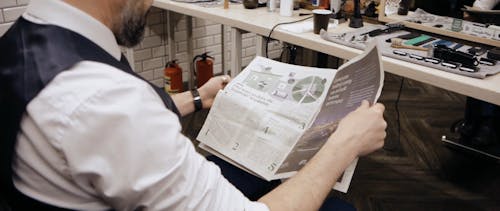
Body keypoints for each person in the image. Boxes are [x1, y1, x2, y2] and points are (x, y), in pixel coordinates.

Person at [0, 0, 387, 210]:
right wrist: (344, 144)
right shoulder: (104, 98)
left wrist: (199, 98)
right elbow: (111, 113)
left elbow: (104, 129)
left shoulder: (29, 38)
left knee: (258, 173)